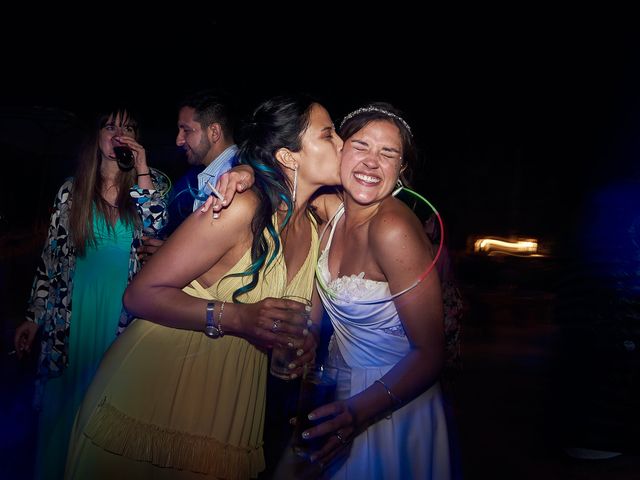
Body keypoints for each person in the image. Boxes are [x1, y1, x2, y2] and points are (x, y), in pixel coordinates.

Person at [64, 94, 344, 479]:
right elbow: (139, 294)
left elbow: (303, 326)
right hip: (161, 387)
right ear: (289, 156)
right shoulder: (240, 208)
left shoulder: (314, 231)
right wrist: (239, 318)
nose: (343, 144)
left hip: (232, 402)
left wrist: (304, 345)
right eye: (329, 135)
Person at [294, 103, 451, 479]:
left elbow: (431, 354)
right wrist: (245, 173)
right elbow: (285, 180)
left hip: (392, 399)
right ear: (340, 151)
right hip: (337, 391)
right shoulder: (330, 211)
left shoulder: (392, 229)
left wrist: (358, 412)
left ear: (401, 171)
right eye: (361, 146)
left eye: (388, 153)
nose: (371, 162)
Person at [12, 104, 169, 480]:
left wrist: (142, 165)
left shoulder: (151, 185)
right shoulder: (72, 191)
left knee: (107, 415)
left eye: (127, 127)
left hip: (122, 319)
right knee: (62, 417)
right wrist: (33, 318)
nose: (117, 133)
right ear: (96, 135)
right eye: (110, 126)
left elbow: (158, 227)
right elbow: (50, 261)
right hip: (72, 318)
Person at [160, 90, 240, 239]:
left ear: (214, 132)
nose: (179, 140)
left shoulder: (232, 178)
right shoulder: (208, 175)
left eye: (186, 130)